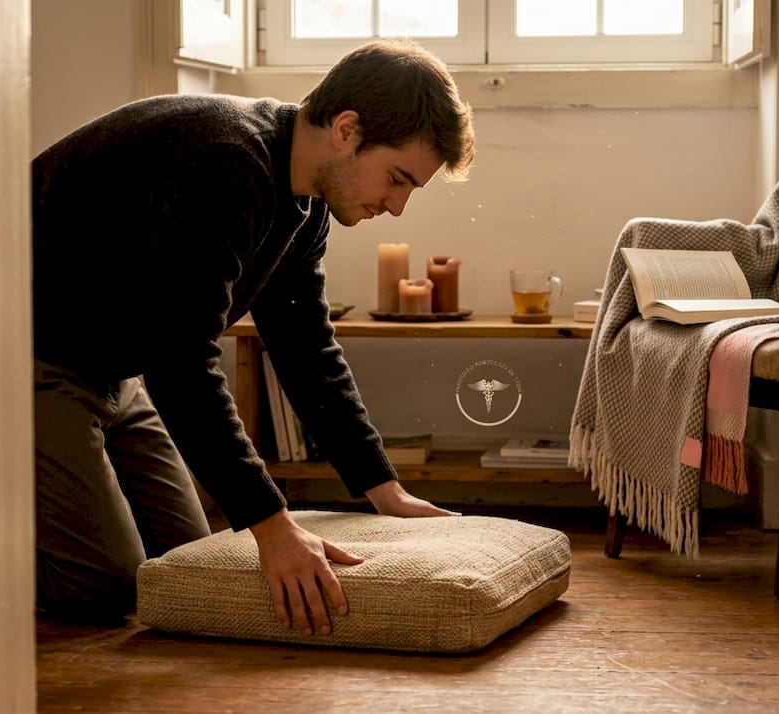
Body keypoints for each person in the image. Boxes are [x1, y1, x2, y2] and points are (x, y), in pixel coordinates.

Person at [31, 38, 476, 635]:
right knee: (109, 587)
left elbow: (305, 347)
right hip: (23, 354)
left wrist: (383, 488)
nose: (396, 207)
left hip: (113, 372)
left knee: (180, 567)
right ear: (346, 129)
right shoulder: (226, 161)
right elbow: (180, 358)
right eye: (398, 179)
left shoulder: (307, 203)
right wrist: (273, 524)